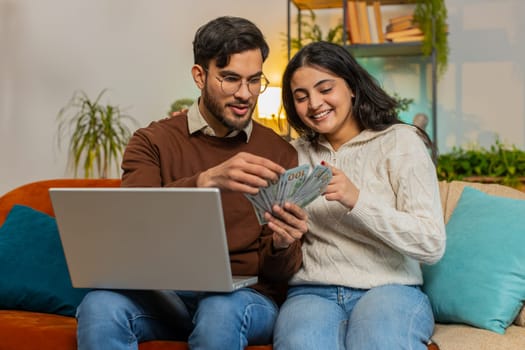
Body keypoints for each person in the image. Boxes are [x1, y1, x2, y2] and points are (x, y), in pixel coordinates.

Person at [76, 16, 308, 350]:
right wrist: (204, 181)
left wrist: (285, 244)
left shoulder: (279, 152)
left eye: (255, 80)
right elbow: (134, 221)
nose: (245, 94)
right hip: (165, 296)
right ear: (200, 76)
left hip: (243, 299)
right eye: (230, 79)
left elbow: (279, 273)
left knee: (219, 309)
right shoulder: (151, 141)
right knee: (99, 306)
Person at [273, 41, 446, 350]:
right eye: (301, 97)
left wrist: (358, 200)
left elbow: (431, 244)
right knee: (302, 343)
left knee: (379, 342)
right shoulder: (293, 155)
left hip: (390, 289)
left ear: (351, 86)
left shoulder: (401, 142)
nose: (314, 104)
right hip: (312, 292)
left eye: (325, 89)